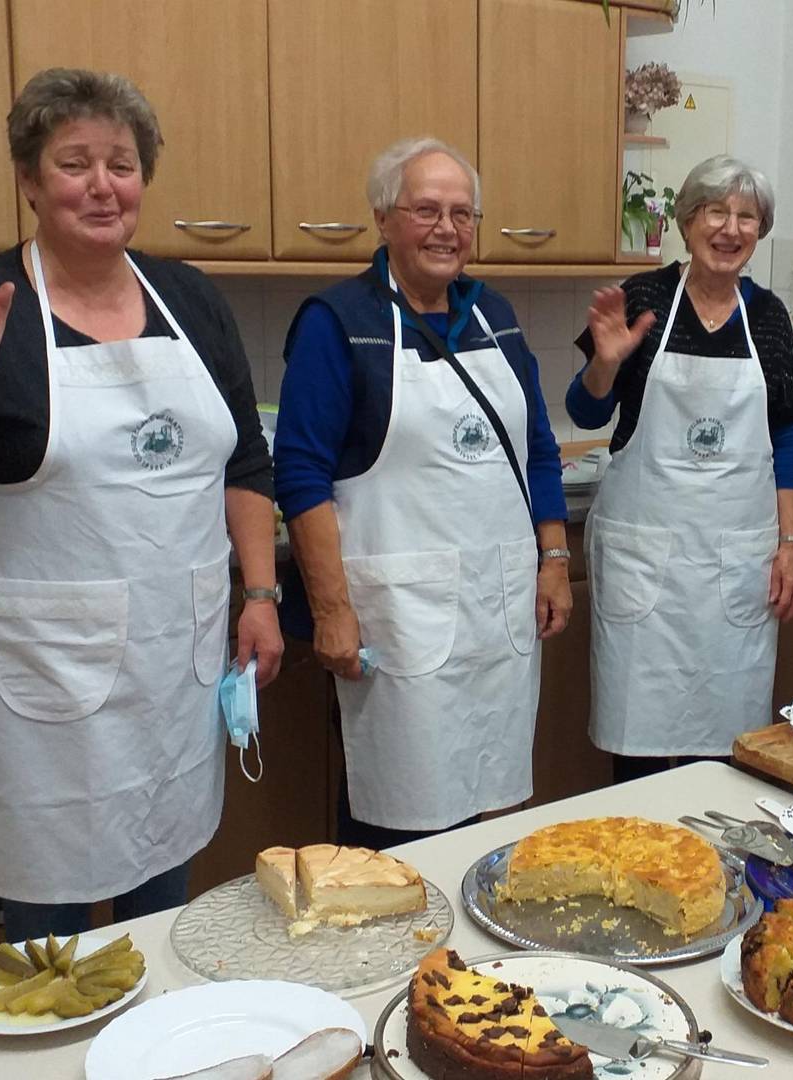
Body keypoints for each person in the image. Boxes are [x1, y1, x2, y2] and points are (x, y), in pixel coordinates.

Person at [0, 68, 283, 941]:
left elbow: (247, 461)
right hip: (43, 687)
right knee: (52, 938)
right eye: (73, 162)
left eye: (121, 164)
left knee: (164, 914)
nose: (101, 185)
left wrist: (262, 596)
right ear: (30, 181)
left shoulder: (190, 299)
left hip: (175, 665)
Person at [272, 137, 572, 849]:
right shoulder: (340, 322)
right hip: (399, 623)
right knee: (397, 828)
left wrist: (554, 557)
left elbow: (538, 449)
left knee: (489, 825)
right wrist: (331, 611)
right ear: (383, 217)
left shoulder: (495, 315)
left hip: (498, 619)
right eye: (427, 209)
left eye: (463, 213)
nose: (447, 229)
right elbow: (300, 473)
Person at [567, 155, 793, 780]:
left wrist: (789, 542)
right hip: (647, 566)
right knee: (637, 743)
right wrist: (606, 364)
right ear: (687, 220)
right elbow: (584, 411)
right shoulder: (642, 298)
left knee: (725, 746)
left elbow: (785, 435)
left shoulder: (770, 317)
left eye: (746, 216)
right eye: (715, 212)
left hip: (737, 566)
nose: (730, 229)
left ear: (761, 230)